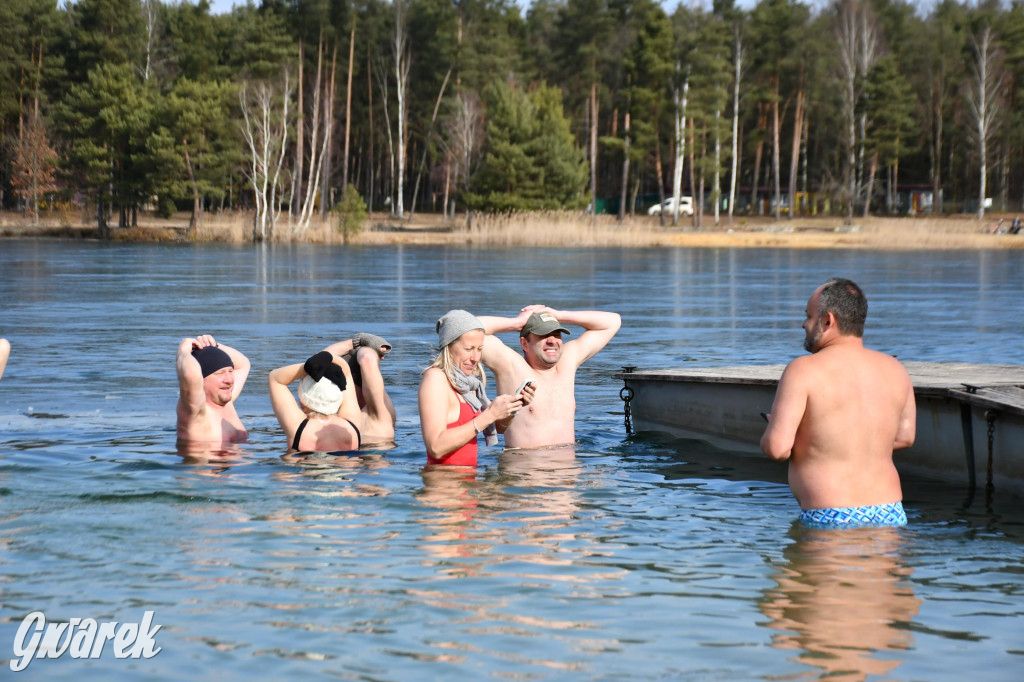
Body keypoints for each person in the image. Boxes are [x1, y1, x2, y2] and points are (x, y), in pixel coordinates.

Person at [760, 278, 916, 528]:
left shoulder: (803, 370)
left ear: (827, 321)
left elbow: (777, 448)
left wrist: (781, 432)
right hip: (890, 513)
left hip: (831, 514)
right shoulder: (895, 368)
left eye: (809, 316)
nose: (804, 324)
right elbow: (905, 437)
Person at [478, 305, 621, 449]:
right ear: (525, 344)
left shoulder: (567, 361)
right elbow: (463, 331)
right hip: (526, 467)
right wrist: (516, 323)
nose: (552, 340)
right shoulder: (510, 365)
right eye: (543, 335)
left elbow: (613, 321)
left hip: (568, 468)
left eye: (557, 334)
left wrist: (559, 315)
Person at [418, 310, 527, 466]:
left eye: (479, 349)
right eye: (468, 349)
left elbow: (498, 428)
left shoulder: (469, 384)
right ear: (448, 347)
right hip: (442, 485)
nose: (476, 358)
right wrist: (490, 414)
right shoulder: (435, 379)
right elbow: (435, 447)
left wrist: (513, 407)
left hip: (469, 483)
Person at [268, 347, 362, 452]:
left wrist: (306, 368)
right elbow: (346, 372)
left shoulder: (298, 428)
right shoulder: (352, 423)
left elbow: (275, 378)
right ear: (338, 397)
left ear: (302, 400)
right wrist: (328, 357)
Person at [176, 335, 250, 443]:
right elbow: (190, 374)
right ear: (201, 380)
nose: (229, 380)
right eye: (220, 374)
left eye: (230, 371)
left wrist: (213, 346)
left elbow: (243, 364)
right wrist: (183, 351)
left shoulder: (225, 400)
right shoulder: (194, 412)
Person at [327, 333, 397, 446]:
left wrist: (358, 341)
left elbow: (315, 364)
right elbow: (367, 358)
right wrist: (363, 341)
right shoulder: (380, 413)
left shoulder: (329, 417)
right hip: (376, 455)